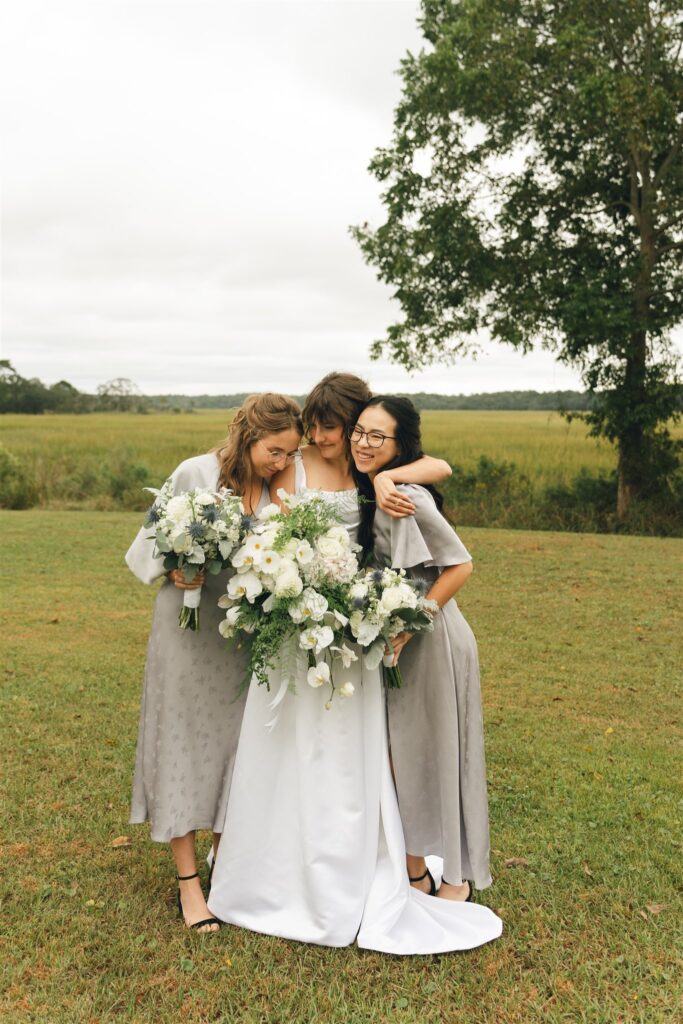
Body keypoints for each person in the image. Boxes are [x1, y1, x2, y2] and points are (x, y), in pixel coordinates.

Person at [207, 375, 502, 952]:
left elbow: (432, 470)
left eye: (333, 428)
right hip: (298, 624)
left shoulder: (372, 475)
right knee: (283, 747)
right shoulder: (295, 464)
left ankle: (370, 865)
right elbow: (261, 519)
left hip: (355, 633)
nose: (321, 437)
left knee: (356, 755)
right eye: (316, 425)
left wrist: (389, 473)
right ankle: (269, 861)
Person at [125, 393, 302, 932]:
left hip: (245, 638)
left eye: (291, 453)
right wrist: (177, 568)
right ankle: (188, 886)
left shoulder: (281, 487)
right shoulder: (192, 473)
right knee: (181, 740)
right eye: (275, 451)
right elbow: (147, 551)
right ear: (248, 438)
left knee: (237, 748)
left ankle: (226, 863)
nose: (283, 462)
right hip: (188, 630)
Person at [351, 395, 492, 902]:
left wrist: (415, 619)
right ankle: (415, 873)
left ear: (398, 444)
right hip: (400, 643)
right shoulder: (373, 488)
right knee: (399, 757)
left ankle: (455, 878)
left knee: (437, 755)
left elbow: (461, 567)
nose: (363, 444)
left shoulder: (407, 495)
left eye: (377, 436)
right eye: (359, 432)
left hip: (433, 641)